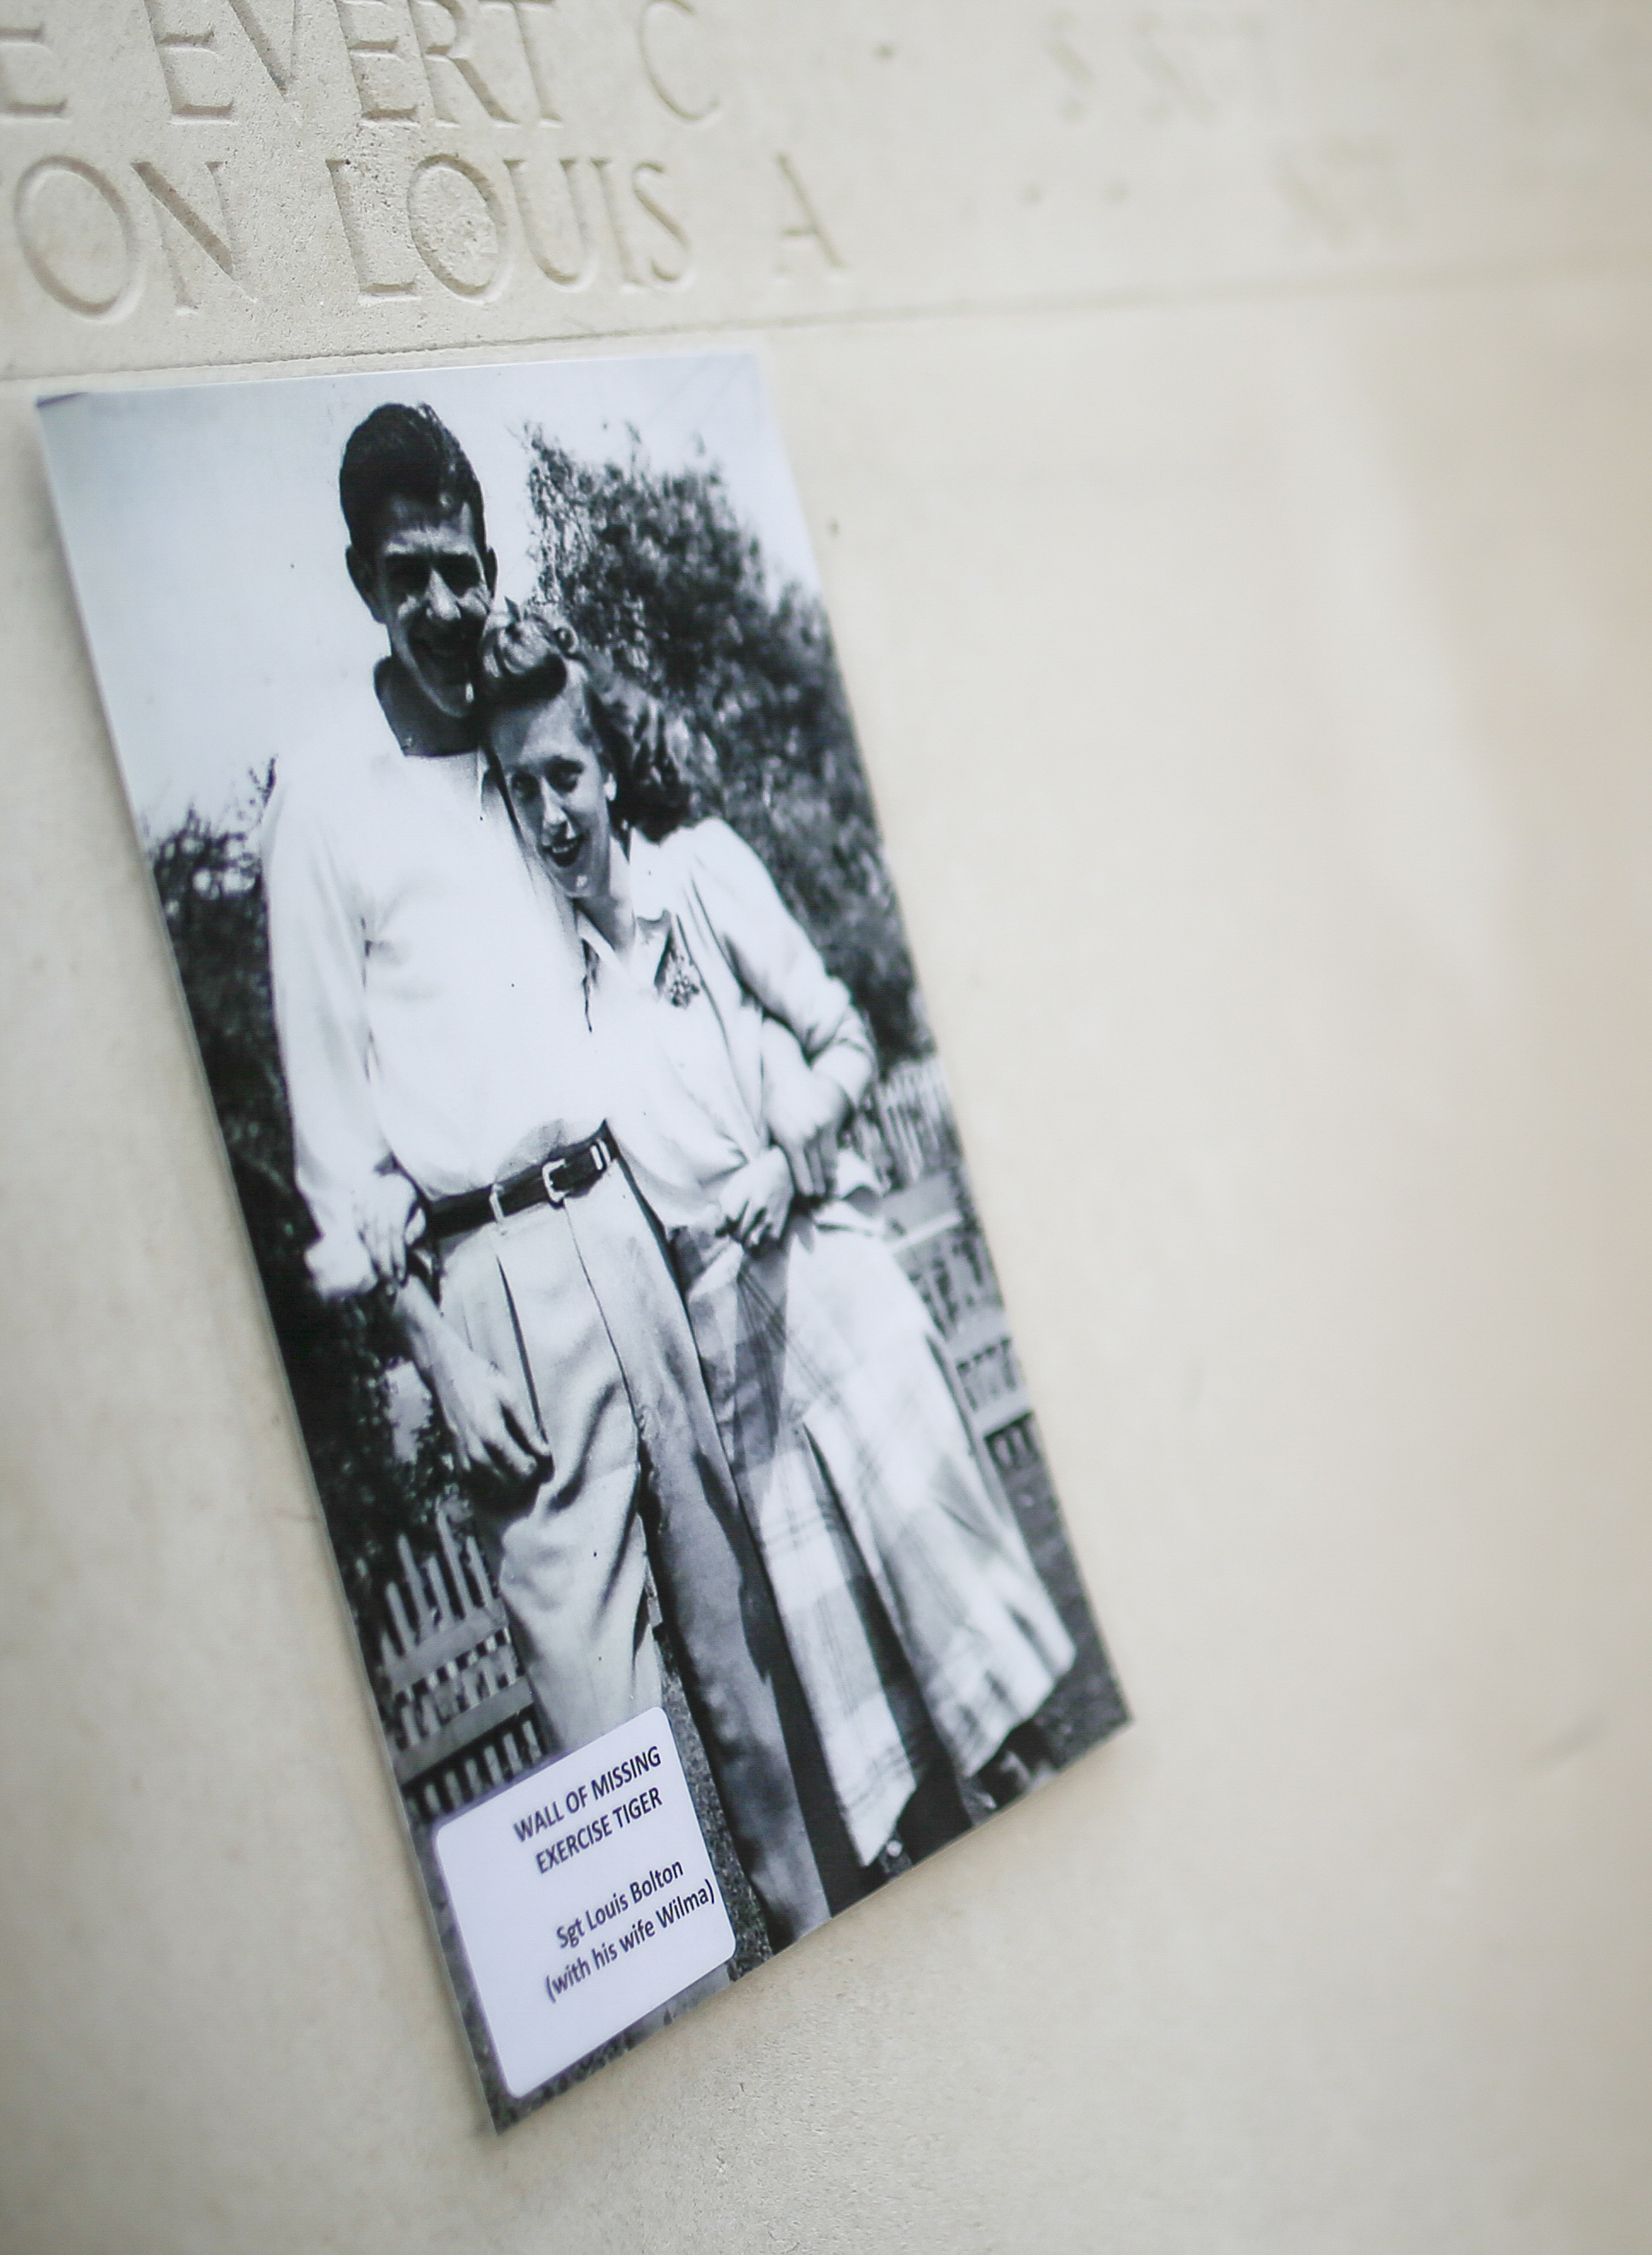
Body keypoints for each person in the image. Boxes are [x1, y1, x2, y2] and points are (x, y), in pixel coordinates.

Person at [262, 403, 831, 1945]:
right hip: (490, 1282)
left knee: (738, 1660)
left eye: (458, 566)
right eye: (405, 576)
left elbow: (637, 834)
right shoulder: (318, 799)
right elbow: (333, 1150)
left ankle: (817, 1941)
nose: (438, 604)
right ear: (362, 580)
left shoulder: (526, 734)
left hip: (627, 1229)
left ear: (485, 556)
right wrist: (432, 1352)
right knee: (602, 1743)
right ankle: (675, 2047)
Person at [478, 607, 1083, 1882]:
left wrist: (781, 1152)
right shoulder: (550, 993)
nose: (550, 813)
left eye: (566, 775)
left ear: (607, 767)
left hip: (834, 1295)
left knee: (996, 1713)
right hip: (736, 1380)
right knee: (893, 1797)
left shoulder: (699, 873)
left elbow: (847, 1039)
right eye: (519, 789)